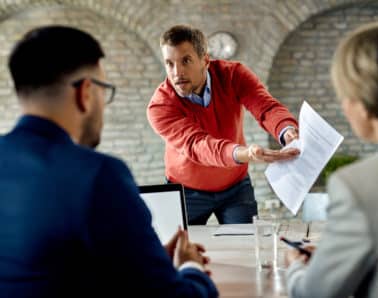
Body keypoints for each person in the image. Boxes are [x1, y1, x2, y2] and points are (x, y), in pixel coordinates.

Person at [0, 25, 218, 298]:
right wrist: (190, 268)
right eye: (104, 90)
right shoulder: (98, 175)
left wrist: (143, 259)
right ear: (86, 93)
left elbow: (43, 269)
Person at [147, 24, 300, 225]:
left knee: (245, 247)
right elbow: (198, 145)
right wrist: (244, 154)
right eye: (170, 63)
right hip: (186, 192)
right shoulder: (160, 106)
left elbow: (265, 106)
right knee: (181, 252)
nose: (177, 73)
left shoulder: (234, 75)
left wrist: (287, 130)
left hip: (235, 187)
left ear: (205, 60)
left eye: (186, 61)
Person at [285, 20, 378, 298]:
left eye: (344, 95)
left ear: (363, 102)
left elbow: (315, 294)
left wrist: (295, 268)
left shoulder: (359, 185)